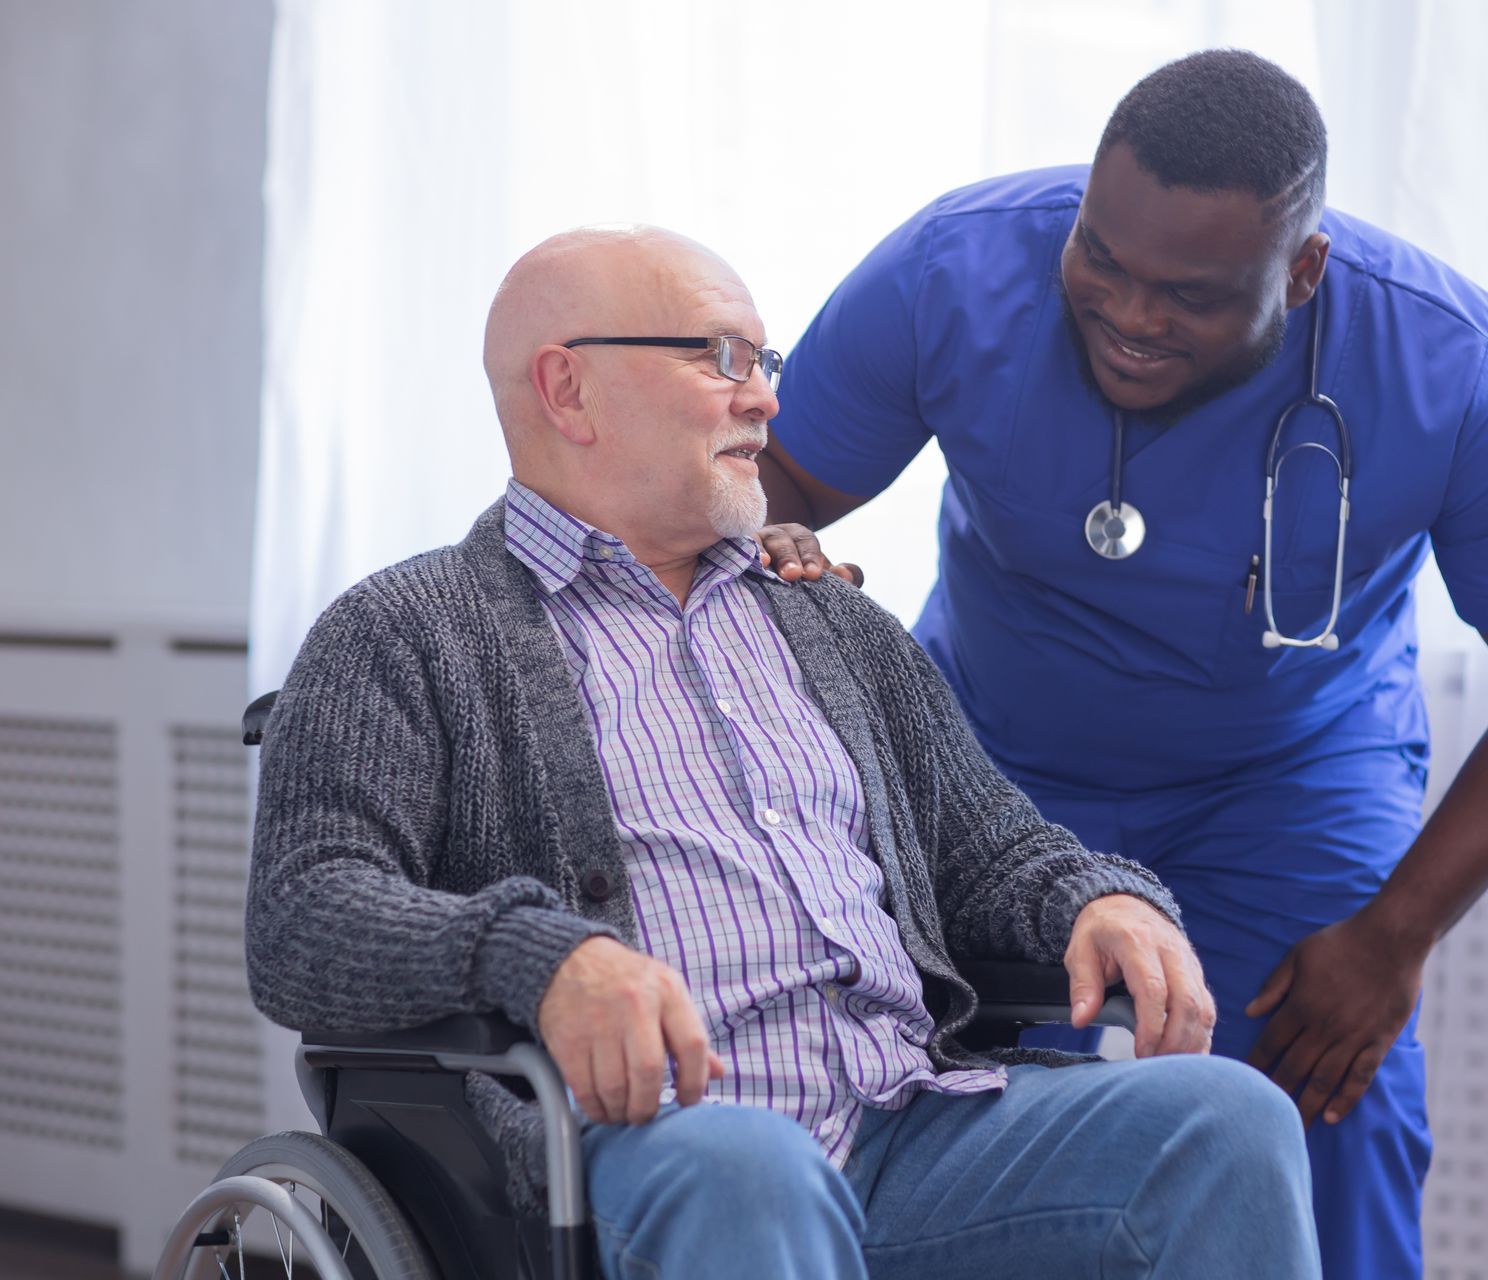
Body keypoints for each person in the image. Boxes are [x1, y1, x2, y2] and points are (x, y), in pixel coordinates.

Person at [244, 225, 1320, 1280]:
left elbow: (991, 851)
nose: (764, 396)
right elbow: (303, 911)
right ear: (568, 389)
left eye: (766, 361)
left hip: (916, 1125)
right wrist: (544, 954)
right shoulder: (402, 629)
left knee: (1225, 1118)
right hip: (655, 1147)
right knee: (754, 1169)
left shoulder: (833, 622)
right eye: (721, 356)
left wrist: (1100, 900)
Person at [754, 49, 1488, 1280]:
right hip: (990, 768)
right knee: (937, 1093)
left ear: (1304, 269)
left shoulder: (1454, 367)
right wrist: (772, 534)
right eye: (1101, 259)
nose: (1129, 312)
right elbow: (774, 474)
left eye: (1192, 293)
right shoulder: (954, 268)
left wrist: (1395, 935)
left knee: (1328, 1094)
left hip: (1283, 780)